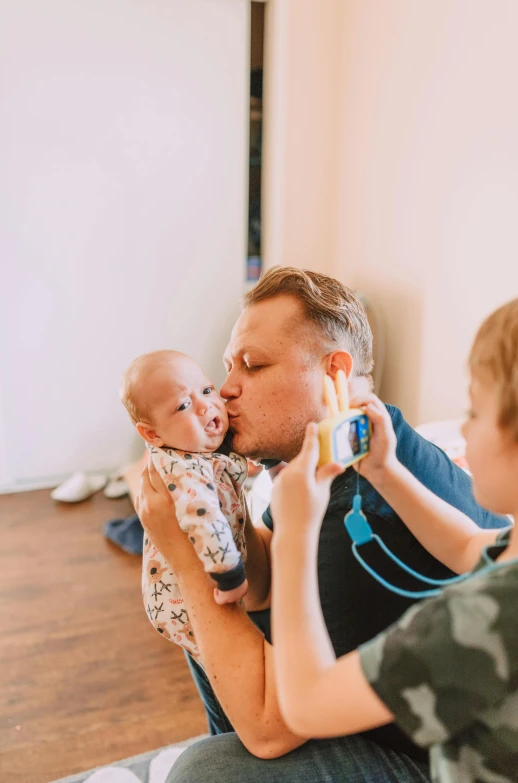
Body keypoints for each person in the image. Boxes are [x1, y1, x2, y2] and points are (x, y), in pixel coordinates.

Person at [135, 267, 507, 782]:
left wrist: (184, 556)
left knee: (209, 770)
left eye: (253, 365)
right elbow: (262, 581)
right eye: (226, 369)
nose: (225, 391)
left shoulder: (358, 509)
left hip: (437, 759)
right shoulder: (357, 454)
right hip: (375, 697)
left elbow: (273, 728)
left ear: (335, 372)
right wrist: (216, 504)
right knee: (215, 621)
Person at [270, 297, 518, 782]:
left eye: (476, 410)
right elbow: (471, 545)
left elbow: (308, 703)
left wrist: (293, 534)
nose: (464, 426)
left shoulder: (486, 613)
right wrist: (385, 472)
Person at [121, 350, 253, 661]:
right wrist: (230, 576)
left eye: (206, 390)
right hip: (183, 598)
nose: (206, 404)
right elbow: (203, 519)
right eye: (183, 405)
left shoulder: (189, 443)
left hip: (204, 581)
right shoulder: (182, 472)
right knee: (226, 657)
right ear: (152, 434)